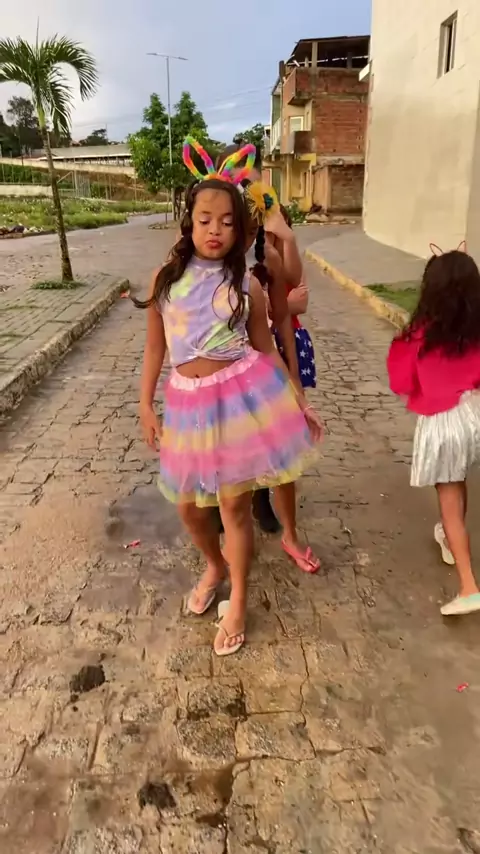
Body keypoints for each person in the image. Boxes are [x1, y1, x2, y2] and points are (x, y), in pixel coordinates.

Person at [137, 137, 322, 656]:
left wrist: (299, 401)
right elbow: (154, 348)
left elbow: (268, 352)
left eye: (225, 222)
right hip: (187, 406)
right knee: (189, 509)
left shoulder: (248, 287)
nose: (214, 229)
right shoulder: (165, 281)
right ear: (189, 223)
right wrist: (145, 404)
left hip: (239, 401)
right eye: (204, 219)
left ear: (240, 230)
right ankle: (214, 564)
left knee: (234, 506)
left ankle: (238, 597)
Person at [387, 243, 480, 616]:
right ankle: (447, 536)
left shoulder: (418, 336)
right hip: (473, 412)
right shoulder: (475, 331)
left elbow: (401, 381)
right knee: (458, 479)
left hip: (443, 421)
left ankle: (469, 587)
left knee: (449, 499)